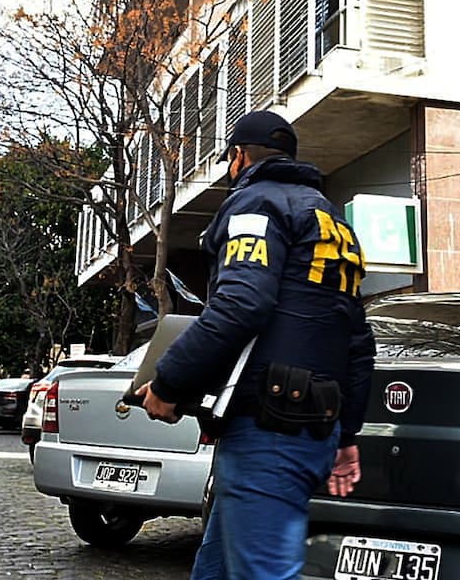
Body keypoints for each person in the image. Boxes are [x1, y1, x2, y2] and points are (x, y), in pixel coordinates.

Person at [137, 109, 375, 580]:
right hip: (311, 426)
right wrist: (346, 437)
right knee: (219, 566)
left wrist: (168, 382)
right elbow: (357, 339)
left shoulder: (257, 205)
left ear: (238, 158)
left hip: (270, 426)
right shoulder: (332, 222)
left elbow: (242, 304)